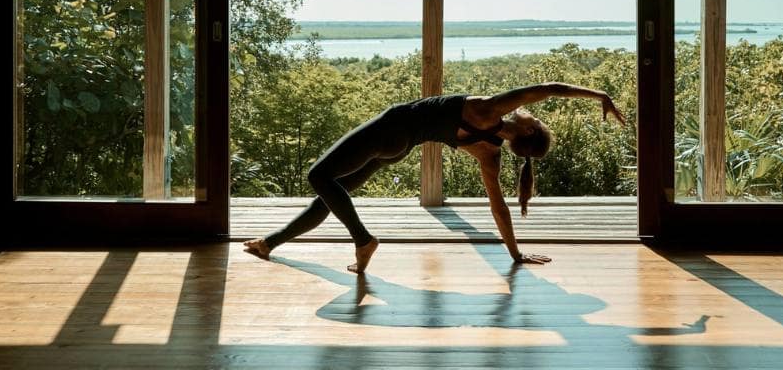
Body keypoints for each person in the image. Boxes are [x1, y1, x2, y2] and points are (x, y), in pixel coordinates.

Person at [244, 82, 626, 273]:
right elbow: (498, 208)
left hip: (392, 129)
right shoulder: (488, 152)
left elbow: (544, 91)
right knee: (330, 192)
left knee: (318, 175)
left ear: (527, 134)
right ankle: (269, 244)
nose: (535, 115)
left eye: (536, 122)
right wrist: (515, 253)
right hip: (398, 148)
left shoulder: (490, 110)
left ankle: (363, 240)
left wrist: (599, 95)